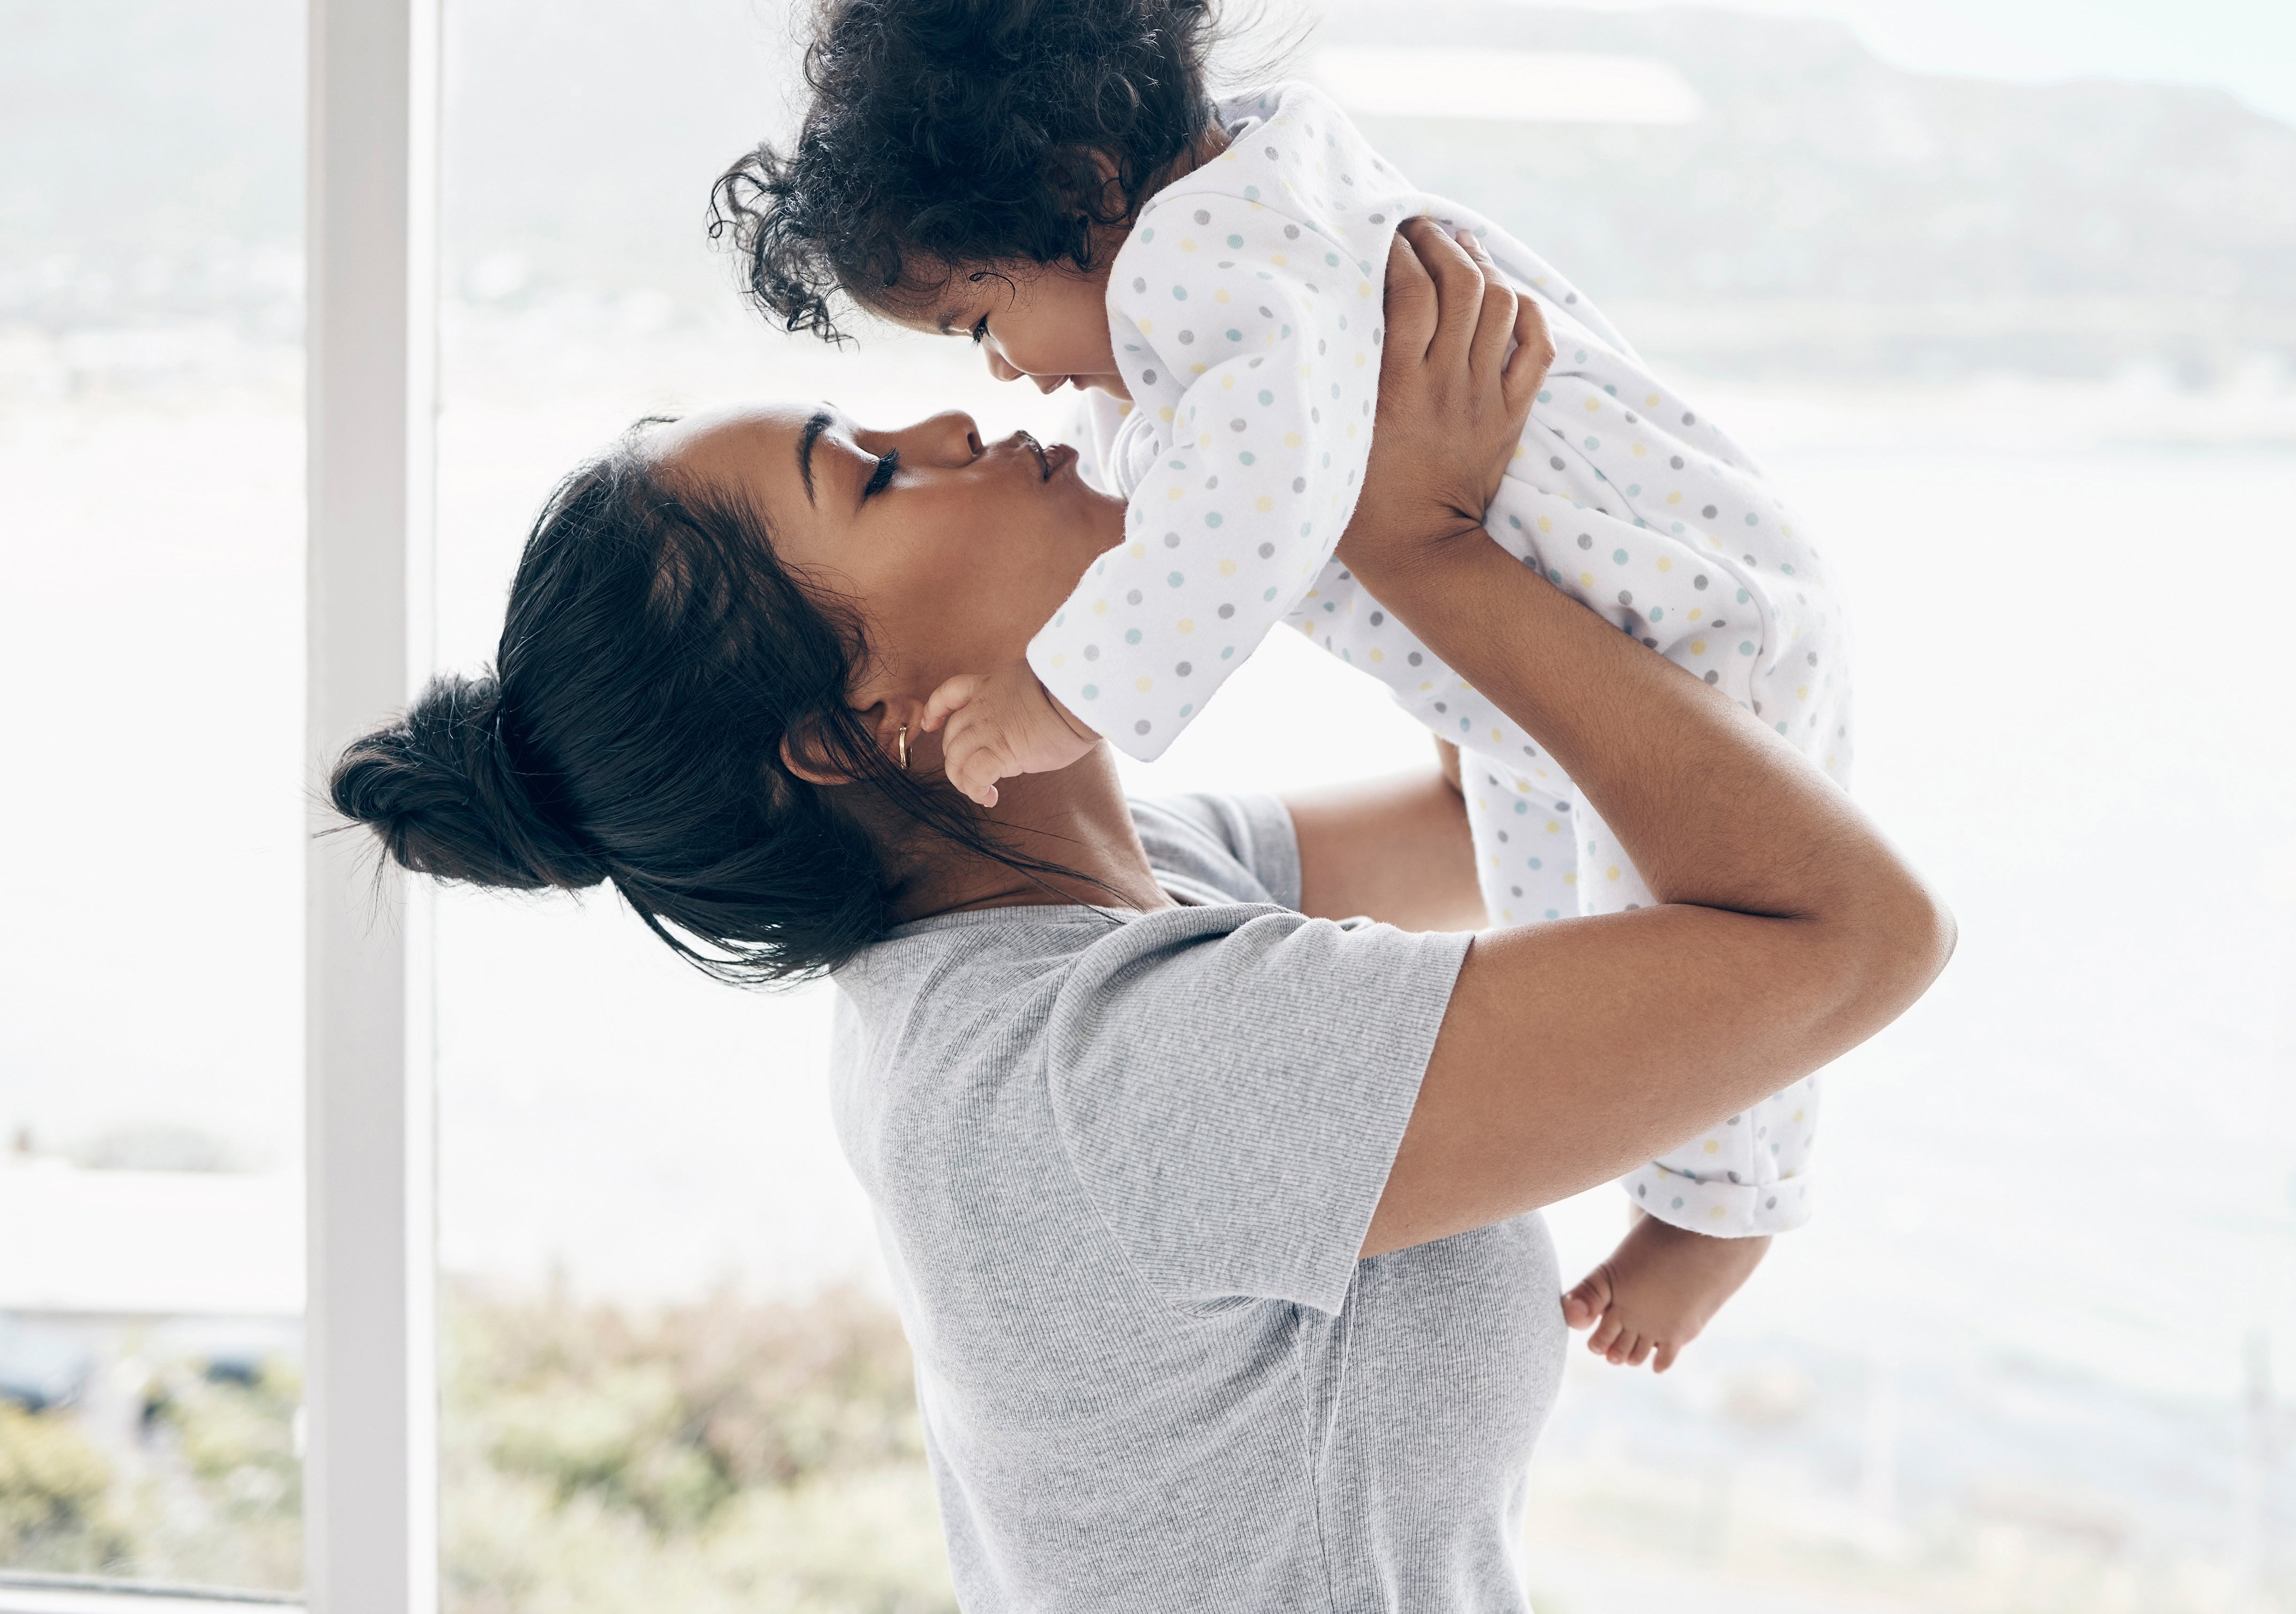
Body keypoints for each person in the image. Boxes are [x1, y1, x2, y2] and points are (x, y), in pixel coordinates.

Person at [330, 221, 1951, 1613]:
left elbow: (1484, 811)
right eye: (879, 475)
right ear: (844, 728)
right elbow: (1854, 941)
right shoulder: (1107, 1072)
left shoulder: (1101, 903)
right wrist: (1420, 547)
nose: (965, 427)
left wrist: (1338, 459)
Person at [710, 0, 1845, 1356]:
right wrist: (1423, 558)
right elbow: (1190, 483)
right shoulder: (1229, 235)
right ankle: (1712, 1194)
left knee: (1674, 930)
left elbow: (1239, 520)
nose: (990, 389)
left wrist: (1061, 696)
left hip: (1680, 615)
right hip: (1624, 613)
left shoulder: (1215, 271)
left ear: (1074, 191)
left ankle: (1722, 1207)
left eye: (981, 323)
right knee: (1562, 879)